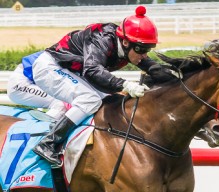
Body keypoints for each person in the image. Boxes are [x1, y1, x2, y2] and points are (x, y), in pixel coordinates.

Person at [7, 5, 158, 168]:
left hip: (66, 70)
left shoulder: (126, 46)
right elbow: (92, 70)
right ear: (126, 42)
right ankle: (48, 143)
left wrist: (176, 74)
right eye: (142, 49)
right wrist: (125, 84)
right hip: (43, 70)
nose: (145, 54)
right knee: (88, 99)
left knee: (106, 98)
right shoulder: (102, 39)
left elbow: (150, 66)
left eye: (148, 49)